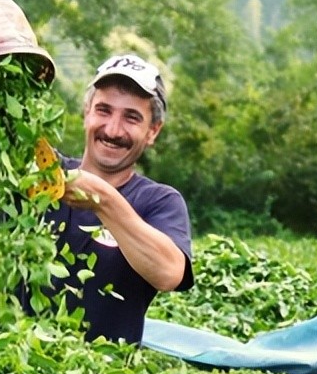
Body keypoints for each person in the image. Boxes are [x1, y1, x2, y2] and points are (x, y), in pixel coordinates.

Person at [21, 54, 194, 343]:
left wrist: (104, 200)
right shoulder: (40, 172)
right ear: (86, 112)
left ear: (152, 131)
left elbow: (169, 273)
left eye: (131, 117)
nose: (113, 130)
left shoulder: (159, 201)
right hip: (11, 367)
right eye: (103, 110)